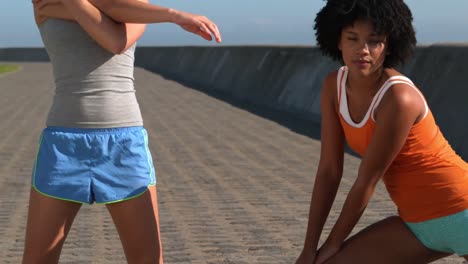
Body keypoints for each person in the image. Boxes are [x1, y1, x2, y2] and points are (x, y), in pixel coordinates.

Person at [24, 0, 221, 263]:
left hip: (123, 145)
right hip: (63, 145)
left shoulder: (137, 6)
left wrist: (173, 15)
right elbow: (103, 10)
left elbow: (115, 41)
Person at [295, 0, 468, 263]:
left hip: (462, 213)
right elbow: (330, 170)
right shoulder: (334, 86)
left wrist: (333, 242)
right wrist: (309, 249)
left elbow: (367, 181)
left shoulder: (399, 98)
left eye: (374, 41)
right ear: (338, 41)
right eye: (352, 38)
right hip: (416, 225)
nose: (362, 50)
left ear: (389, 46)